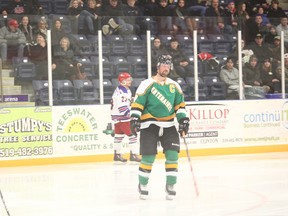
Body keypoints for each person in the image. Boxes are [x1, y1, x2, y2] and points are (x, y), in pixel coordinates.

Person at [130, 54, 190, 200]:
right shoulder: (147, 83)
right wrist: (134, 118)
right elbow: (138, 103)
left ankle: (171, 185)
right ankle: (142, 184)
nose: (166, 68)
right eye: (164, 65)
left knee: (172, 155)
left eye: (168, 66)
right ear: (158, 67)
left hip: (169, 125)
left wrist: (183, 120)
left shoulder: (174, 86)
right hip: (149, 125)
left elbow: (180, 106)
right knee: (149, 157)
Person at [111, 72, 141, 163]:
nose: (130, 81)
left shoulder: (124, 90)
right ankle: (134, 154)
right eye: (127, 80)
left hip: (117, 117)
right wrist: (132, 115)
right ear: (122, 81)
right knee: (133, 135)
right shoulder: (122, 93)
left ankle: (116, 154)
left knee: (118, 136)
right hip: (123, 118)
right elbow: (123, 108)